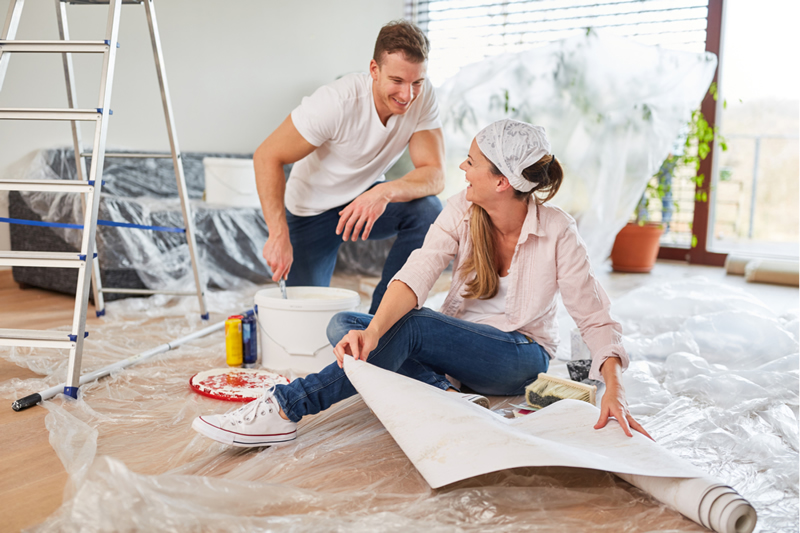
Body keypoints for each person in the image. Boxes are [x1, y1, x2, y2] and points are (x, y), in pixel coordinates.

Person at [193, 119, 651, 448]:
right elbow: (417, 272)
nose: (462, 170)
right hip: (455, 351)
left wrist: (614, 388)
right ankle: (450, 395)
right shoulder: (459, 211)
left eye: (471, 163)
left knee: (409, 328)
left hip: (517, 356)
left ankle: (287, 407)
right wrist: (370, 332)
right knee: (344, 326)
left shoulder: (558, 230)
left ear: (502, 181)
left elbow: (594, 317)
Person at [254, 20, 445, 314]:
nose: (408, 95)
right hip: (310, 212)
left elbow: (434, 173)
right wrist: (277, 234)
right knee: (304, 316)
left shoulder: (424, 96)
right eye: (397, 81)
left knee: (428, 212)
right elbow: (267, 156)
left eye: (416, 82)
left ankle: (381, 321)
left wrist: (383, 191)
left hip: (361, 201)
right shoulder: (336, 102)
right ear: (374, 70)